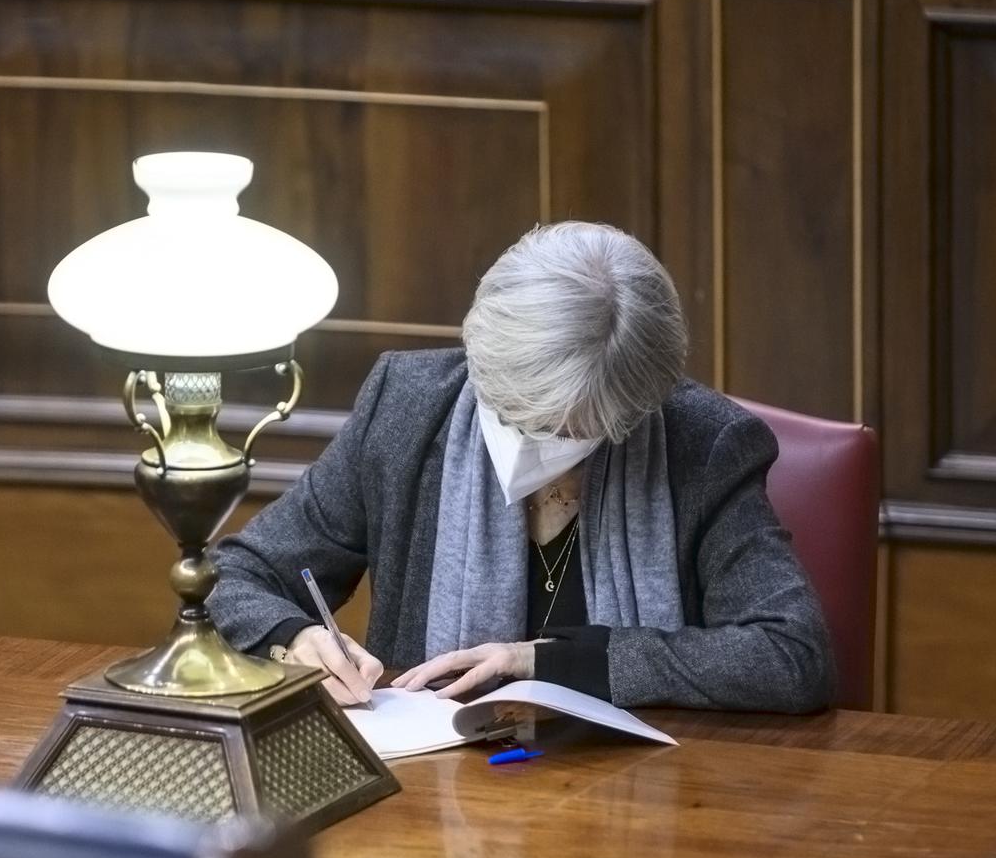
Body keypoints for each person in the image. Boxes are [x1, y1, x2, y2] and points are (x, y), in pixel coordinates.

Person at [205, 221, 834, 712]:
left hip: (642, 805)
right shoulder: (408, 408)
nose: (531, 442)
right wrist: (292, 638)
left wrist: (550, 661)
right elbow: (237, 575)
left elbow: (790, 655)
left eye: (564, 429)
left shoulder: (702, 444)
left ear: (633, 410)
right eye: (509, 412)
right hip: (431, 797)